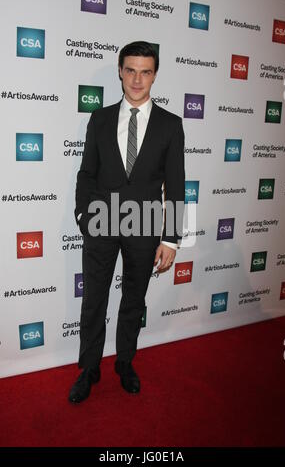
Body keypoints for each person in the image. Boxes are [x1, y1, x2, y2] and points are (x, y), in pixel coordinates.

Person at [69, 41, 185, 403]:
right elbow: (86, 174)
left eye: (145, 71)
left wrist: (171, 238)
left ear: (155, 75)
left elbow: (177, 184)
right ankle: (88, 368)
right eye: (130, 70)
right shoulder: (100, 119)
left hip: (146, 225)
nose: (137, 79)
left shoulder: (171, 125)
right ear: (120, 71)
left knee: (134, 299)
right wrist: (83, 216)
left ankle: (125, 362)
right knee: (94, 300)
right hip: (100, 224)